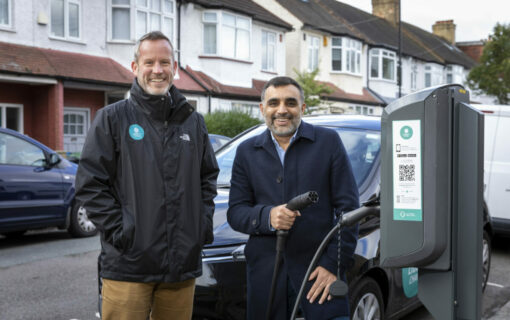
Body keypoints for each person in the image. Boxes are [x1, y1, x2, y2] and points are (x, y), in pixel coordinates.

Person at [75, 31, 219, 320]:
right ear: (135, 67)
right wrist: (122, 233)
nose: (157, 70)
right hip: (129, 265)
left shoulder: (192, 122)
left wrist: (199, 227)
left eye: (165, 62)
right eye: (149, 62)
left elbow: (207, 180)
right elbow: (91, 185)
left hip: (181, 266)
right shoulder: (112, 119)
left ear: (175, 68)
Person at [227, 76, 359, 320]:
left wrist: (333, 265)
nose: (281, 110)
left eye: (290, 102)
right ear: (262, 109)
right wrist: (268, 216)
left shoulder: (328, 142)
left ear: (302, 108)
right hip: (266, 277)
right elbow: (236, 212)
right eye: (273, 103)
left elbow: (348, 211)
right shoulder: (246, 151)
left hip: (318, 273)